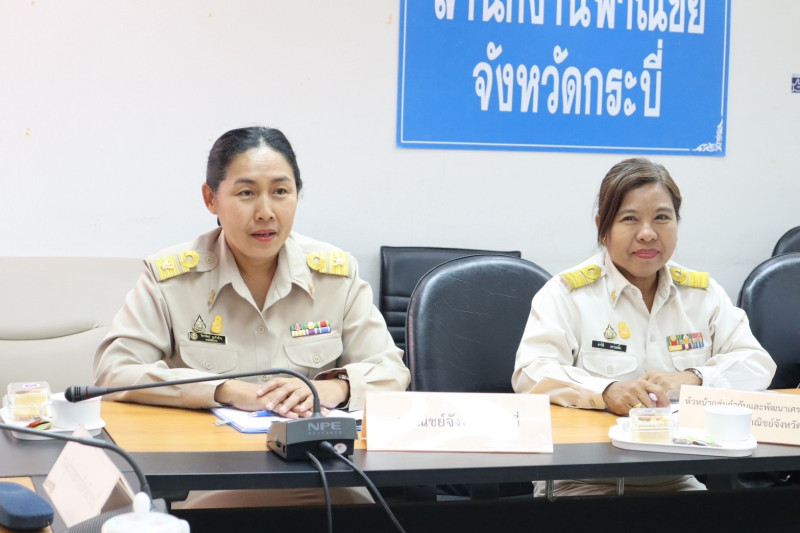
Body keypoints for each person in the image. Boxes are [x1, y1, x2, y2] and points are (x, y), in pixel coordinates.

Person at [94, 125, 410, 506]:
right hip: (212, 476)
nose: (265, 212)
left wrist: (333, 388)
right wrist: (225, 390)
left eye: (280, 192)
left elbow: (392, 370)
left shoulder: (335, 275)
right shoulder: (171, 278)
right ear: (211, 199)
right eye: (246, 193)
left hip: (322, 477)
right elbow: (115, 370)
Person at [512, 157, 776, 497]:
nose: (648, 233)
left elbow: (757, 364)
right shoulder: (567, 294)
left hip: (674, 480)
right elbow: (530, 373)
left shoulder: (702, 294)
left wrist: (694, 378)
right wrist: (605, 391)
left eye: (662, 218)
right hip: (580, 482)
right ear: (603, 228)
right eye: (630, 219)